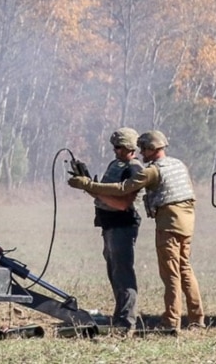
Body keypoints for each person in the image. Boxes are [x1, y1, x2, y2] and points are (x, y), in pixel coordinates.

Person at [68, 130, 205, 332]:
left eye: (143, 149)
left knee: (171, 274)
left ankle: (171, 321)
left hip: (168, 224)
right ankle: (197, 319)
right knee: (184, 269)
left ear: (152, 149)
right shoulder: (178, 164)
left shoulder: (151, 171)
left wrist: (89, 185)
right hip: (186, 222)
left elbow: (123, 190)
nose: (141, 153)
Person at [81, 128, 144, 330]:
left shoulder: (134, 169)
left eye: (118, 147)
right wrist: (88, 185)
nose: (115, 151)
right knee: (114, 273)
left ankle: (126, 322)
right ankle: (119, 317)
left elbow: (123, 204)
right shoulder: (115, 165)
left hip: (122, 224)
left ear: (129, 148)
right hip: (109, 224)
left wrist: (92, 187)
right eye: (114, 147)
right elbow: (102, 194)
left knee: (123, 273)